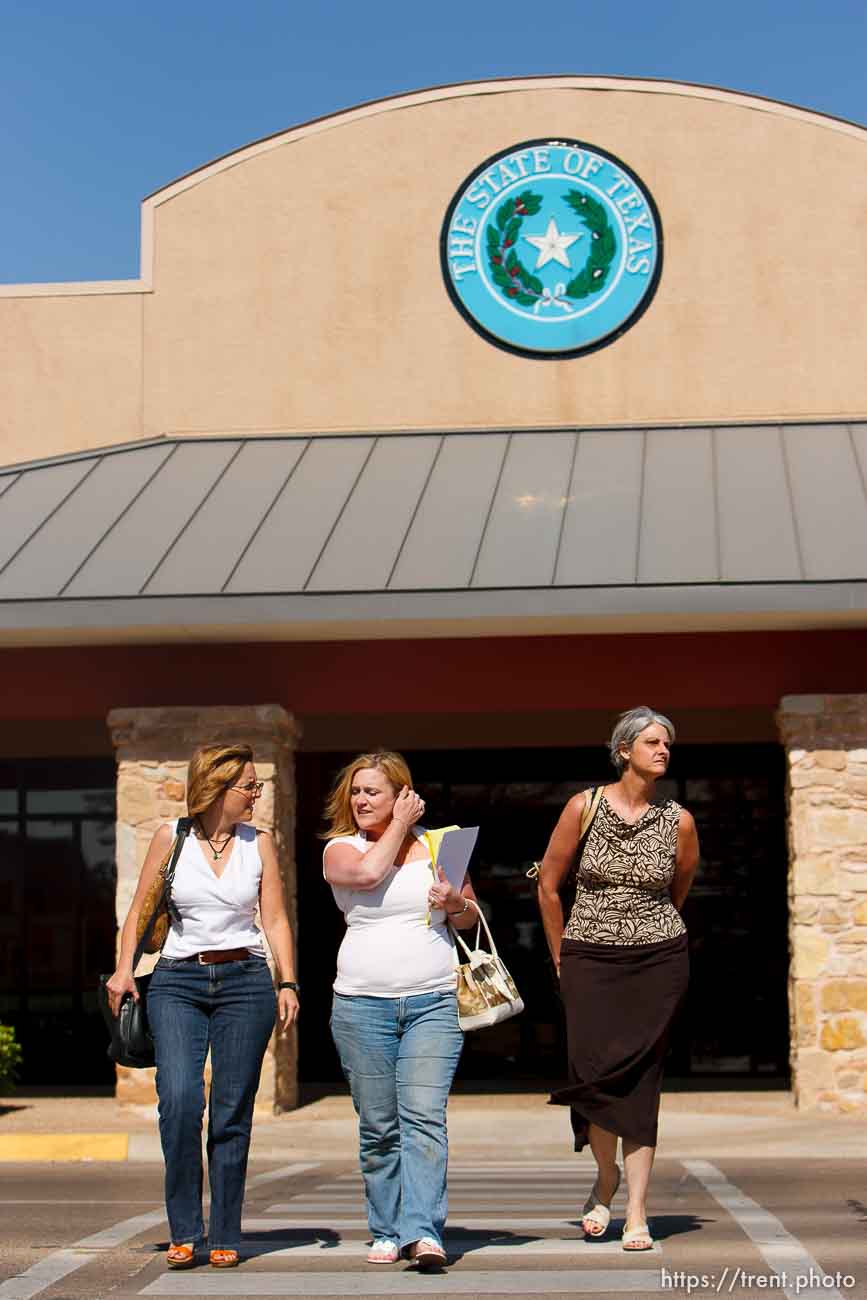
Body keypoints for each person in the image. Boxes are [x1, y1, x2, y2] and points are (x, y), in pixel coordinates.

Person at [105, 744, 299, 1270]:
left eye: (257, 785)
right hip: (177, 983)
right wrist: (124, 970)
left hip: (246, 983)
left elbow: (276, 919)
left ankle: (225, 1231)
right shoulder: (172, 838)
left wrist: (288, 981)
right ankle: (185, 1229)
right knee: (181, 1102)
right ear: (217, 788)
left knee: (232, 1111)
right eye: (249, 786)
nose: (257, 794)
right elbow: (141, 910)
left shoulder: (260, 843)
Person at [537, 707, 698, 1252]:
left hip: (658, 962)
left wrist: (652, 932)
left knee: (642, 1079)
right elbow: (549, 886)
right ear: (624, 750)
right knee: (594, 1072)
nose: (663, 751)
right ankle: (605, 1177)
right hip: (589, 959)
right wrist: (562, 957)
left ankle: (636, 1212)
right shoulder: (584, 806)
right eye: (653, 742)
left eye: (667, 745)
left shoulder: (679, 819)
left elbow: (680, 886)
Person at [323, 750, 479, 1269]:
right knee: (379, 1125)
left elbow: (468, 917)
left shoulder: (443, 844)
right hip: (361, 1005)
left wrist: (455, 901)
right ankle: (387, 1229)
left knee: (424, 1118)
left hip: (432, 1000)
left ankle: (423, 1231)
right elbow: (368, 875)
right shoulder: (340, 849)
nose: (361, 799)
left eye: (373, 791)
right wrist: (402, 827)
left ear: (400, 795)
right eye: (357, 791)